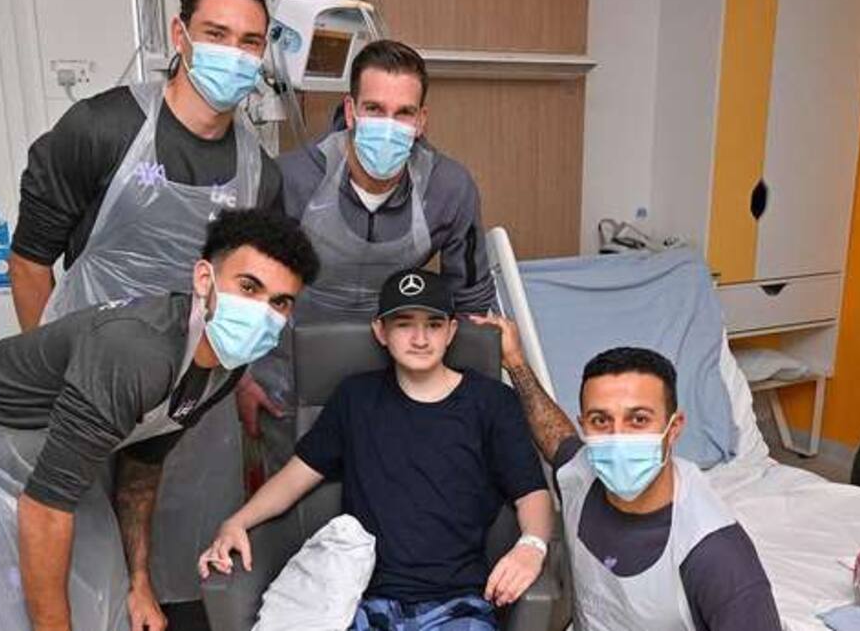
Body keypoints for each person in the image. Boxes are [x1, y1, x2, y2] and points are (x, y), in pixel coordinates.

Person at [0, 209, 319, 631]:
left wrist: (140, 584)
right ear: (205, 279)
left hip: (30, 481)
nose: (262, 312)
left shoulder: (225, 368)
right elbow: (44, 510)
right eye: (248, 287)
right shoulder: (135, 353)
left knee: (103, 609)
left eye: (280, 302)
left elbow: (141, 471)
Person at [7, 0, 285, 609]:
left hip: (191, 396)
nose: (234, 54)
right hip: (89, 379)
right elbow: (28, 262)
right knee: (81, 558)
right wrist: (50, 373)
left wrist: (240, 379)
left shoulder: (260, 176)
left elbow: (251, 290)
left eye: (250, 42)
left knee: (184, 560)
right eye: (217, 34)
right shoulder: (100, 130)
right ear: (180, 36)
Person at [201, 269, 551, 630]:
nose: (420, 339)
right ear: (381, 331)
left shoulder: (491, 402)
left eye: (433, 325)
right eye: (404, 324)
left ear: (450, 331)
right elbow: (294, 478)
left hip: (457, 603)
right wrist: (237, 521)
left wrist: (532, 546)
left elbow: (532, 492)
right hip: (364, 600)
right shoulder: (355, 399)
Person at [238, 39, 498, 485]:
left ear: (421, 120)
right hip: (290, 372)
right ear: (351, 110)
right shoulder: (291, 179)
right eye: (374, 109)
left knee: (393, 490)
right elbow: (246, 286)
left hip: (396, 371)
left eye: (403, 113)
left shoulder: (448, 189)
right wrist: (244, 376)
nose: (388, 125)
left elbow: (471, 298)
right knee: (295, 496)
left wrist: (467, 395)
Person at [471, 314, 783, 631]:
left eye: (638, 420)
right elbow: (554, 437)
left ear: (674, 428)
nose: (618, 438)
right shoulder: (580, 477)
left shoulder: (716, 554)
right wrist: (516, 363)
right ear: (584, 426)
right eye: (601, 421)